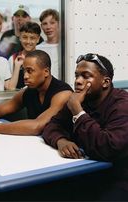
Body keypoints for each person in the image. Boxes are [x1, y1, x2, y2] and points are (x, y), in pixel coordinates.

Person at [42, 53, 128, 201]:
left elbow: (107, 147)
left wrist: (78, 112)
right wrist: (60, 141)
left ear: (105, 82)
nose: (78, 81)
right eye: (76, 76)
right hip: (87, 172)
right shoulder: (83, 99)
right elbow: (52, 125)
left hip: (118, 177)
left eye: (86, 76)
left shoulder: (122, 105)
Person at [0, 50, 72, 136]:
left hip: (64, 147)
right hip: (38, 144)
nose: (25, 76)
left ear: (46, 72)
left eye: (30, 71)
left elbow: (37, 126)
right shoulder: (29, 91)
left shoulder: (63, 93)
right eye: (24, 71)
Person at [8, 22, 41, 89]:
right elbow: (10, 87)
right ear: (20, 38)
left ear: (38, 39)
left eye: (32, 38)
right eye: (25, 37)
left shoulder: (43, 58)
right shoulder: (13, 59)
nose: (28, 41)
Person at [36, 9, 60, 78]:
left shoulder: (65, 47)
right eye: (45, 24)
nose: (48, 27)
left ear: (59, 24)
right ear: (41, 26)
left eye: (52, 23)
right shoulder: (38, 49)